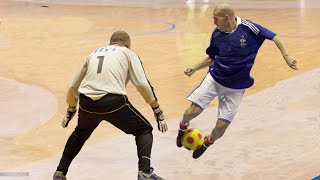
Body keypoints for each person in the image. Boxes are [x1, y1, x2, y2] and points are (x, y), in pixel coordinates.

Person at [176, 4, 298, 159]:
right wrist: (194, 68)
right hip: (215, 79)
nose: (214, 22)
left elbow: (275, 37)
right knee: (191, 112)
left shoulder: (249, 28)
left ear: (227, 18)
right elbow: (212, 58)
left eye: (216, 18)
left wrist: (286, 56)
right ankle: (182, 127)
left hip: (236, 87)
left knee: (221, 127)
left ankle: (207, 143)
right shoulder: (216, 35)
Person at [53, 30, 168, 180]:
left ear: (111, 42)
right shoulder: (128, 53)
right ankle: (145, 172)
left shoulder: (94, 53)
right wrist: (156, 109)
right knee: (144, 130)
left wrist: (71, 108)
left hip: (87, 103)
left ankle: (60, 172)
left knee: (80, 134)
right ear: (128, 44)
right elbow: (141, 84)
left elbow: (73, 86)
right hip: (113, 102)